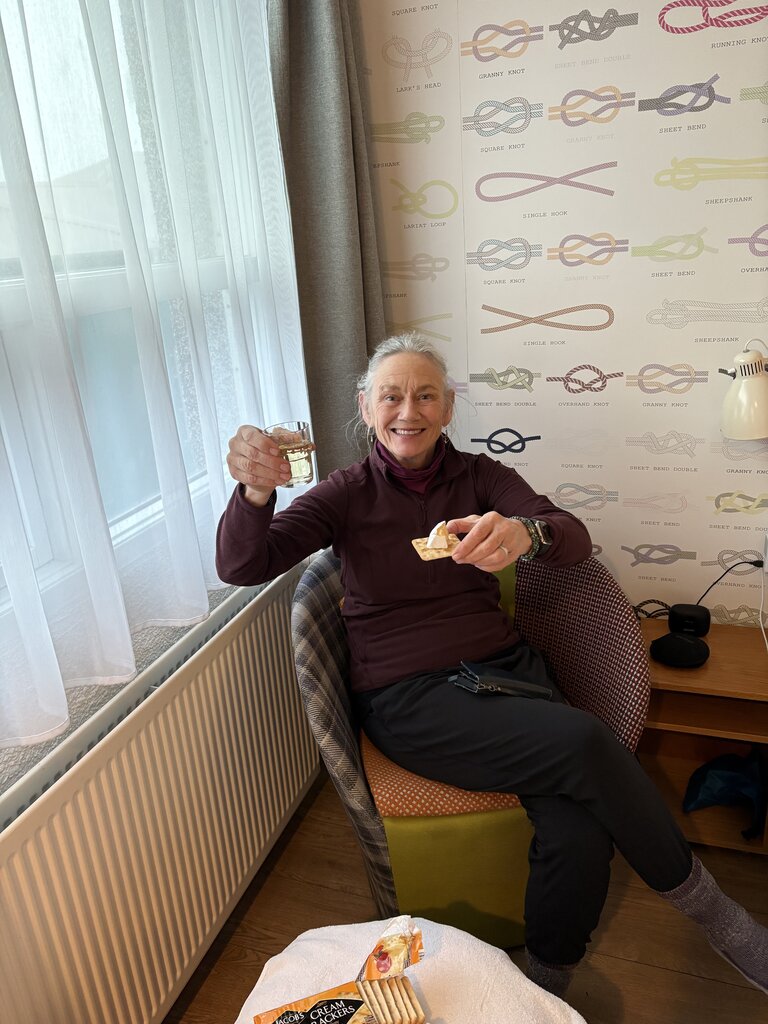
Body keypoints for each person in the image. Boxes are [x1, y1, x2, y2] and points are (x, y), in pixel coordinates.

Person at [216, 333, 767, 1000]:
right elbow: (243, 565)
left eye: (426, 396)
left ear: (448, 407)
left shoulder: (481, 477)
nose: (408, 412)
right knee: (587, 741)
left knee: (578, 826)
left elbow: (571, 535)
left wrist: (526, 533)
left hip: (507, 673)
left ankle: (547, 981)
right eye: (391, 397)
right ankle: (721, 921)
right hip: (410, 697)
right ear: (365, 407)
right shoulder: (346, 494)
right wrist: (254, 492)